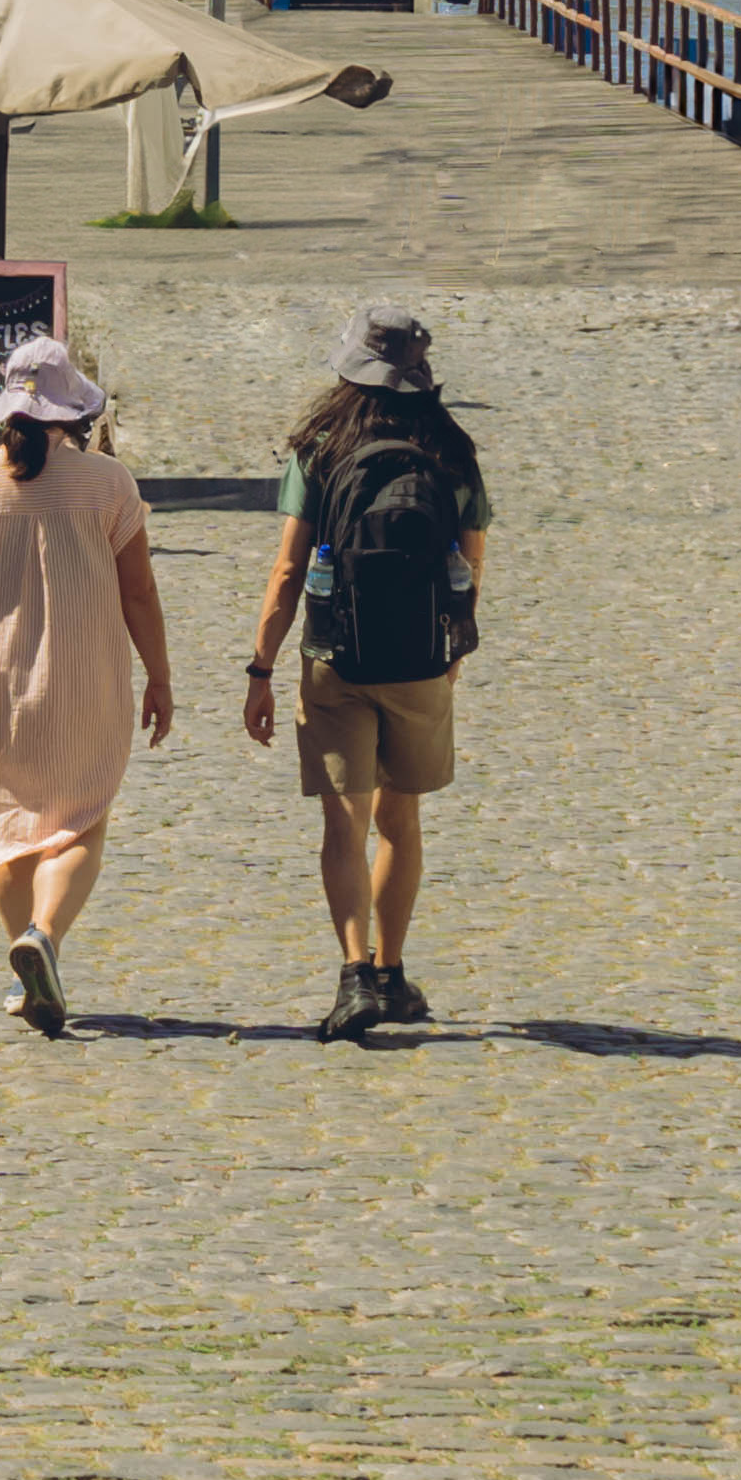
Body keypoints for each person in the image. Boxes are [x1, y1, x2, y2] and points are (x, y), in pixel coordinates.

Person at [0, 337, 173, 1035]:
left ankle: (29, 961)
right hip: (86, 679)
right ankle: (45, 940)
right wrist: (161, 676)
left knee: (7, 826)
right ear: (72, 412)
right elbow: (139, 592)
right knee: (78, 818)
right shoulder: (108, 483)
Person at [240, 308, 490, 1043]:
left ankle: (354, 978)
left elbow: (289, 568)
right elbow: (470, 564)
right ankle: (392, 968)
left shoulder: (322, 446)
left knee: (343, 823)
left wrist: (260, 666)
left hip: (333, 655)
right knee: (401, 821)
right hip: (420, 660)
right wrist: (453, 651)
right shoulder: (451, 448)